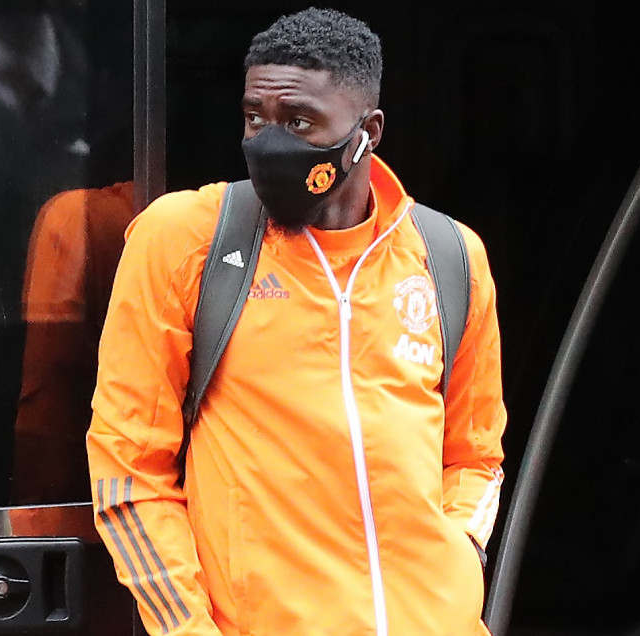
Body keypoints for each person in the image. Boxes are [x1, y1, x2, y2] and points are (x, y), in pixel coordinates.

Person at [86, 8, 508, 636]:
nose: (268, 141)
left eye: (299, 122)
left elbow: (476, 456)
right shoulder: (186, 239)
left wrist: (452, 563)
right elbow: (128, 469)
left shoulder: (449, 256)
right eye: (255, 117)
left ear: (369, 132)